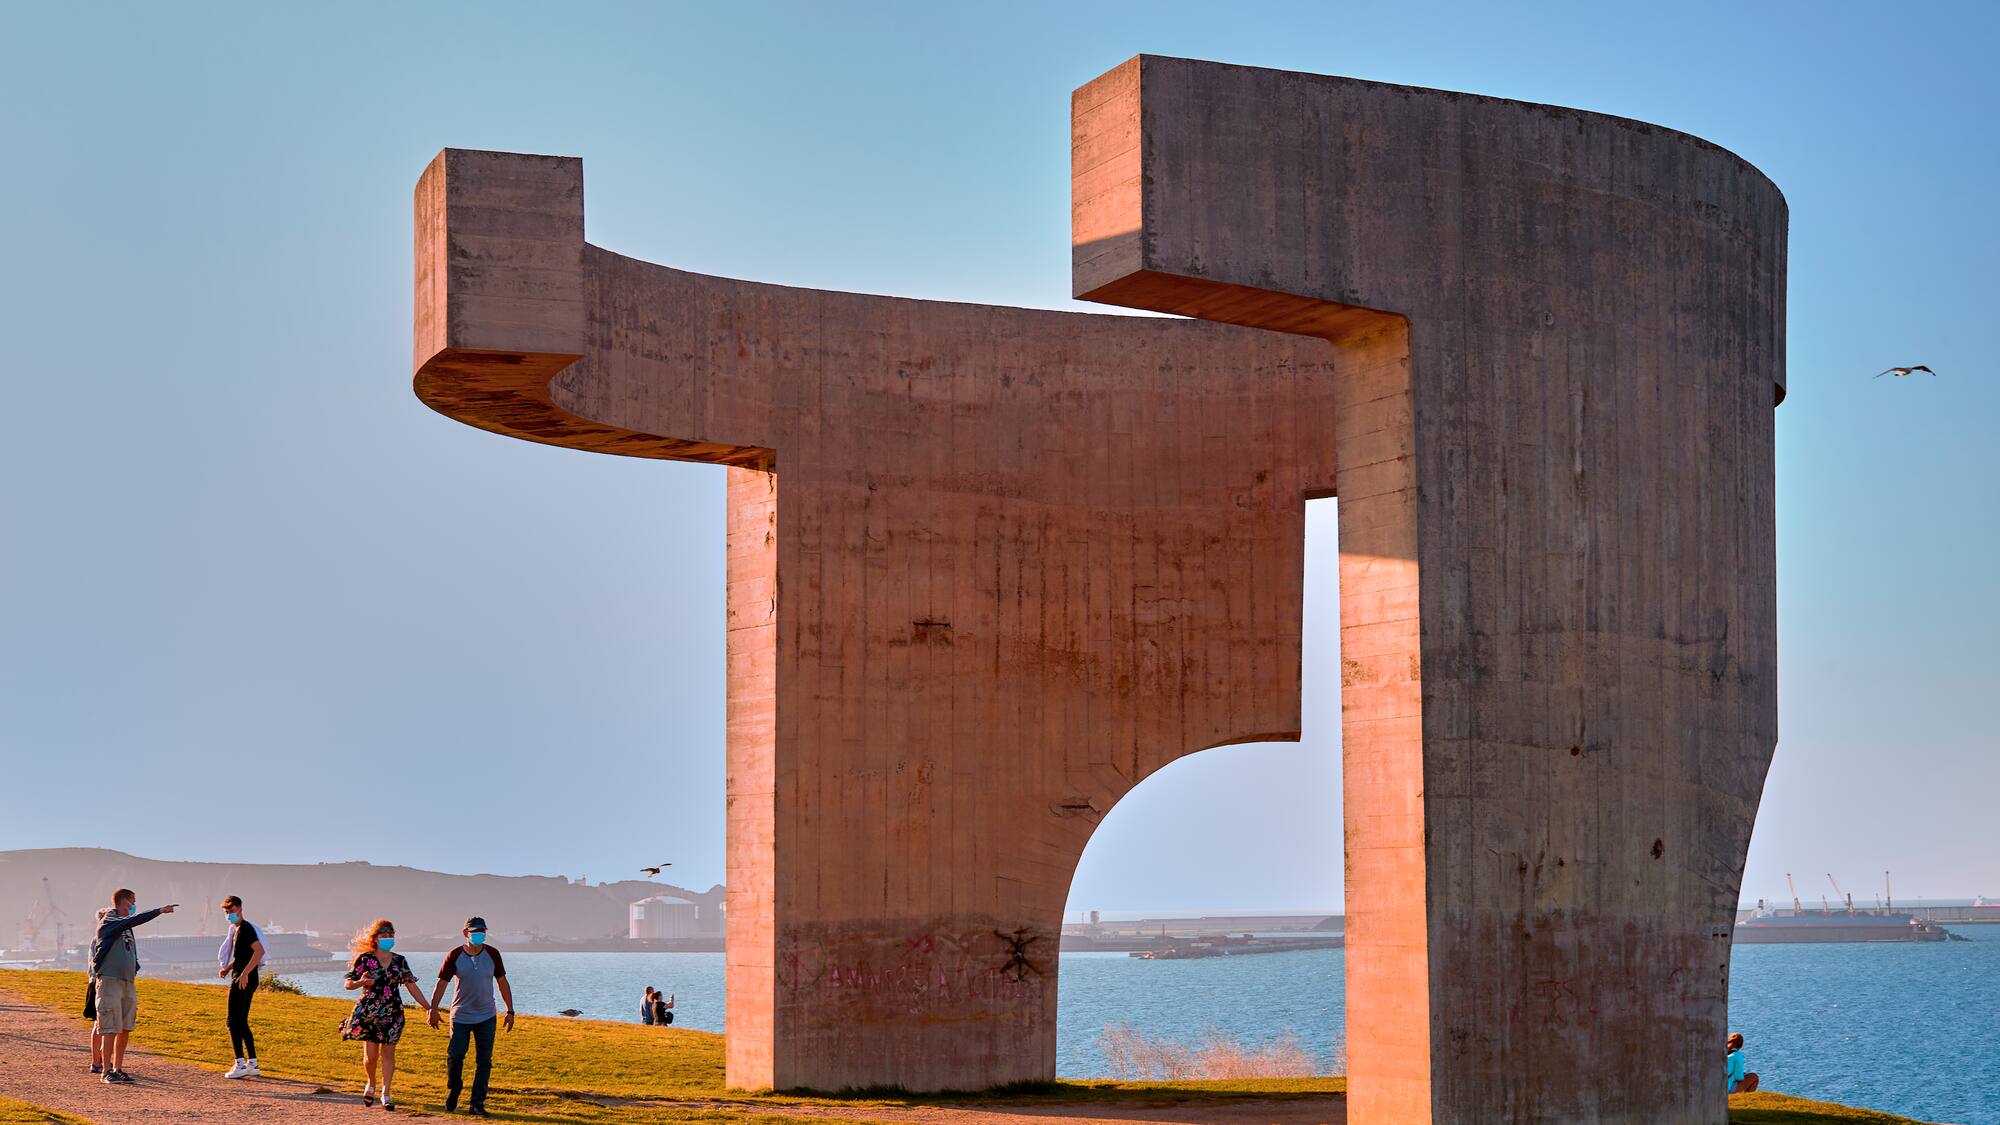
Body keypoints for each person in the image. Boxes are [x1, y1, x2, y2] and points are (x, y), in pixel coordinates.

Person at [340, 919, 434, 1110]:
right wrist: (362, 982)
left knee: (389, 1053)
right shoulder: (365, 959)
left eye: (391, 936)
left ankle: (386, 1092)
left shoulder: (400, 961)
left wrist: (428, 1007)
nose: (388, 939)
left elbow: (411, 986)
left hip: (393, 1013)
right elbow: (348, 984)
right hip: (369, 1011)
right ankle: (371, 1083)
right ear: (375, 938)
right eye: (384, 936)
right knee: (371, 1056)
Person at [427, 916, 514, 1117]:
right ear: (466, 933)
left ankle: (477, 1103)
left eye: (482, 931)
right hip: (460, 1017)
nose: (479, 935)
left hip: (486, 1016)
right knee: (455, 1056)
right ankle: (455, 1088)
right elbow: (442, 983)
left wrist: (510, 1011)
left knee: (484, 1061)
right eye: (475, 932)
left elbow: (502, 982)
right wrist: (433, 1009)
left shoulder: (493, 954)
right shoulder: (454, 955)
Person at [89, 889, 177, 1084]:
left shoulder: (125, 926)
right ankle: (106, 1071)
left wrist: (134, 967)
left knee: (125, 1027)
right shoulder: (110, 921)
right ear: (124, 901)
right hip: (110, 981)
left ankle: (118, 1068)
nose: (134, 906)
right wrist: (159, 911)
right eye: (133, 902)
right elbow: (133, 920)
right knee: (109, 1026)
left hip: (127, 982)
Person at [215, 894, 265, 1078]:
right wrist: (228, 968)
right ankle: (252, 1063)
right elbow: (241, 957)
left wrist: (244, 973)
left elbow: (259, 952)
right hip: (243, 977)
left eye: (232, 911)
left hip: (243, 980)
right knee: (241, 1021)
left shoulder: (245, 929)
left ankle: (240, 1064)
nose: (229, 915)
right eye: (227, 912)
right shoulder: (237, 929)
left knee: (232, 1022)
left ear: (240, 909)